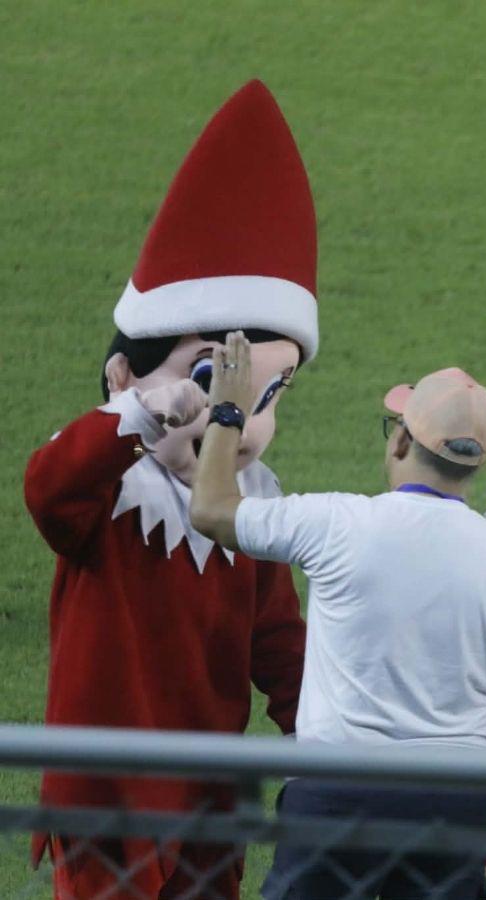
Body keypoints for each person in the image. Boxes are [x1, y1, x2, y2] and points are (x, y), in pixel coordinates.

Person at [23, 80, 313, 899]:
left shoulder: (253, 507)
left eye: (265, 398)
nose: (236, 422)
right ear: (125, 373)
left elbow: (282, 654)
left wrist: (327, 746)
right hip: (105, 800)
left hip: (211, 803)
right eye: (206, 382)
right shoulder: (105, 489)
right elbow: (49, 488)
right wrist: (139, 417)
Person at [189, 336, 486, 900]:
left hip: (334, 795)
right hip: (451, 804)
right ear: (476, 461)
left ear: (400, 439)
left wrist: (228, 411)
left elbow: (210, 510)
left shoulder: (333, 523)